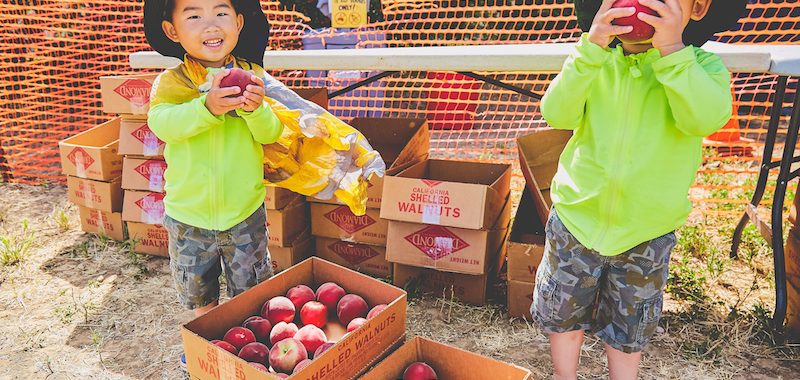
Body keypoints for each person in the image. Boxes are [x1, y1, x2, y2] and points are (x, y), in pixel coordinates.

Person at [532, 0, 748, 378]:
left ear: (697, 9)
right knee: (563, 315)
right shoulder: (596, 61)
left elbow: (704, 119)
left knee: (629, 328)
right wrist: (591, 48)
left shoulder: (700, 68)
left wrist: (672, 53)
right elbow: (557, 113)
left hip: (646, 230)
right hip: (576, 219)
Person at [143, 0, 281, 318]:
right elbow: (162, 124)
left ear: (239, 23)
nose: (211, 25)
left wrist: (255, 111)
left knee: (251, 293)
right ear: (171, 30)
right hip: (188, 214)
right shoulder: (172, 82)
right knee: (199, 294)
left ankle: (247, 336)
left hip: (244, 212)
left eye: (221, 13)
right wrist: (206, 108)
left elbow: (271, 133)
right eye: (194, 16)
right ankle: (206, 335)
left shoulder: (254, 77)